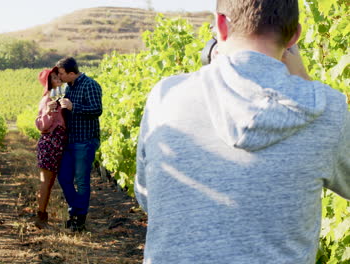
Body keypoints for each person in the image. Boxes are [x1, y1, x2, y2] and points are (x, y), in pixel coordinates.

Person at [135, 0, 350, 263]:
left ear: (221, 26)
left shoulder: (164, 96)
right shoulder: (327, 109)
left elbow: (149, 198)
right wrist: (304, 80)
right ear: (294, 35)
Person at [55, 57, 103, 232]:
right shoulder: (69, 87)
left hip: (85, 140)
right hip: (70, 140)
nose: (59, 77)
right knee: (64, 178)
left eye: (61, 73)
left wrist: (73, 106)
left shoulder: (90, 85)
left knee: (82, 181)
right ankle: (76, 210)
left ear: (72, 73)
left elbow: (97, 110)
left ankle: (79, 218)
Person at [34, 67, 67, 229]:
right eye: (54, 78)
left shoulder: (59, 97)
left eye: (58, 76)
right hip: (50, 144)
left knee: (49, 181)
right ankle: (40, 218)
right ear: (48, 83)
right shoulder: (47, 100)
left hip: (57, 144)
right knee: (46, 182)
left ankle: (42, 216)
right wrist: (50, 112)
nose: (58, 79)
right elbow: (42, 126)